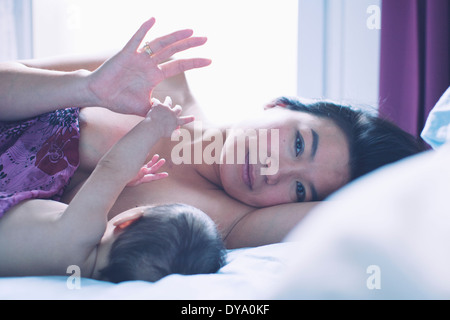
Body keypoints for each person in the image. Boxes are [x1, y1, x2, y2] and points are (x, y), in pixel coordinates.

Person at [0, 18, 426, 249]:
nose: (273, 170)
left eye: (300, 189)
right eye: (298, 142)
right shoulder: (162, 81)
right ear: (277, 105)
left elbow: (398, 210)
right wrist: (84, 86)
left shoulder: (234, 224)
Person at [0, 98, 226, 281]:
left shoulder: (82, 232)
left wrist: (153, 126)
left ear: (127, 221)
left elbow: (111, 169)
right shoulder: (76, 268)